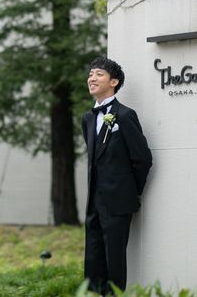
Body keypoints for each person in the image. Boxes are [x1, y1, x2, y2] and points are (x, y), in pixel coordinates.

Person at [82, 57, 153, 295]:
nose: (92, 78)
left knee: (114, 260)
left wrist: (130, 191)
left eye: (99, 74)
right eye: (90, 74)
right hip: (94, 201)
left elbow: (142, 159)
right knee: (93, 258)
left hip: (118, 201)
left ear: (113, 82)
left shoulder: (124, 116)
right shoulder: (87, 118)